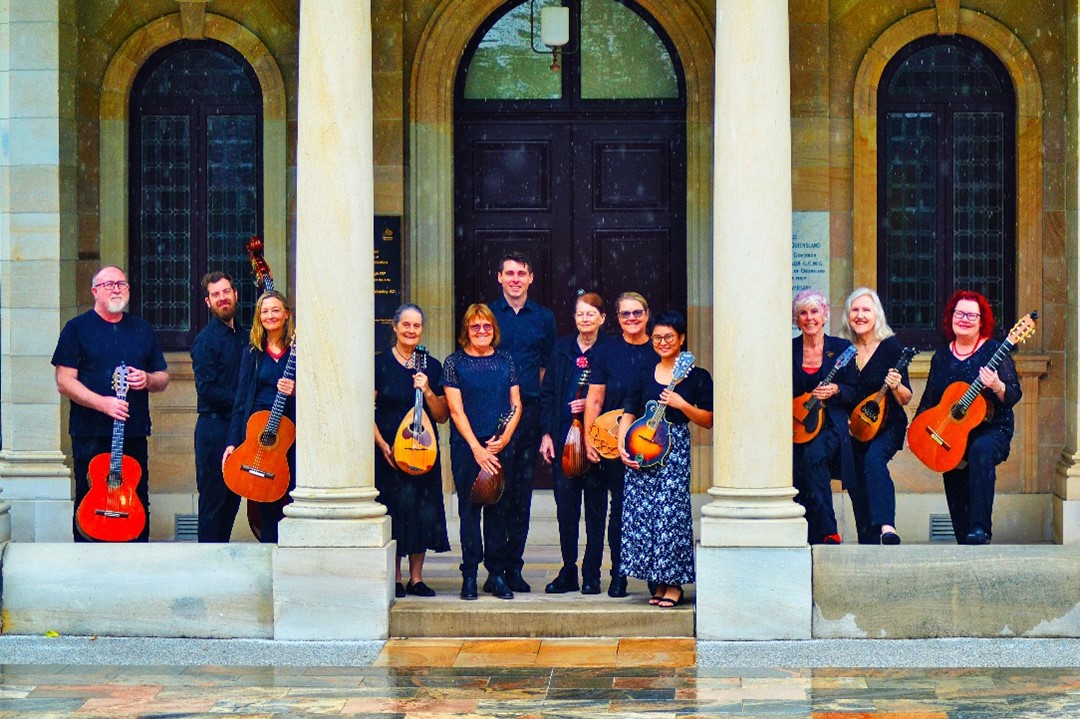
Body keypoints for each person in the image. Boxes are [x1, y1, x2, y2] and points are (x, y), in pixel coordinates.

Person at [52, 266, 170, 542]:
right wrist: (102, 404)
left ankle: (137, 561)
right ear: (95, 291)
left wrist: (148, 379)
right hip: (90, 432)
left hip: (133, 430)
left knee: (136, 499)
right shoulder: (76, 329)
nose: (116, 289)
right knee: (89, 499)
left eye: (121, 284)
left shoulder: (141, 328)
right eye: (109, 285)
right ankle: (88, 560)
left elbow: (163, 377)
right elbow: (64, 381)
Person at [617, 310, 712, 609]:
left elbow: (709, 419)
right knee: (643, 516)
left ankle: (674, 584)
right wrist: (621, 446)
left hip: (673, 449)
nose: (662, 342)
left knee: (671, 514)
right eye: (657, 337)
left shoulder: (697, 376)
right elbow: (629, 411)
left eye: (669, 337)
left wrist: (682, 404)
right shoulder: (644, 372)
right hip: (641, 448)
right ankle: (656, 582)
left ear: (682, 338)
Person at [913, 290, 1021, 545]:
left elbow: (1013, 395)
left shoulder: (995, 351)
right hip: (953, 430)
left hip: (991, 429)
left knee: (979, 452)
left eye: (971, 315)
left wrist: (996, 385)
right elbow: (931, 398)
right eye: (959, 313)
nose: (964, 319)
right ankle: (965, 538)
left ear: (981, 320)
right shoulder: (941, 356)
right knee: (953, 475)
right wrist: (918, 429)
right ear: (950, 318)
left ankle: (981, 528)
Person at [443, 303, 522, 600]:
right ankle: (470, 575)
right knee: (470, 510)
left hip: (499, 446)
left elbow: (516, 404)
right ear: (467, 330)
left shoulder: (505, 361)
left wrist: (503, 440)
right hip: (468, 448)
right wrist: (476, 448)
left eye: (487, 326)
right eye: (475, 326)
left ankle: (496, 574)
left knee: (498, 510)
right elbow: (455, 408)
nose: (481, 331)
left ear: (494, 330)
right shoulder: (455, 362)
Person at [488, 251, 556, 593]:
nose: (515, 279)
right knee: (495, 491)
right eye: (509, 273)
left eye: (521, 273)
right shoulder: (488, 316)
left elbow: (546, 373)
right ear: (499, 277)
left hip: (528, 414)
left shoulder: (543, 318)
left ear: (530, 279)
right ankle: (493, 568)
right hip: (494, 416)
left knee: (521, 495)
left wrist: (544, 426)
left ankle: (514, 566)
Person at [373, 303, 452, 598]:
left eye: (416, 326)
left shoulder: (431, 365)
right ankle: (394, 577)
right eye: (405, 325)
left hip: (422, 448)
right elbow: (367, 410)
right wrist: (382, 446)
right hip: (389, 451)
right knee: (393, 509)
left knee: (421, 510)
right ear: (395, 327)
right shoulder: (380, 364)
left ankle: (416, 578)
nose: (411, 330)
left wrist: (428, 389)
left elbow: (442, 415)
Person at [583, 291, 656, 597]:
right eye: (625, 314)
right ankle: (617, 574)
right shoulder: (607, 351)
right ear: (617, 318)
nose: (631, 319)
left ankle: (657, 576)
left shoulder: (659, 349)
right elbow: (595, 397)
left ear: (647, 314)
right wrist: (589, 438)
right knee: (616, 511)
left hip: (651, 444)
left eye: (637, 313)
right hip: (612, 444)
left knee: (649, 511)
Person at [539, 292, 609, 594]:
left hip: (597, 443)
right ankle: (568, 570)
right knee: (566, 510)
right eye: (580, 314)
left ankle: (591, 572)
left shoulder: (610, 350)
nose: (585, 319)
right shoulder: (561, 349)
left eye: (591, 314)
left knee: (595, 509)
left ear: (602, 319)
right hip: (564, 440)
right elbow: (548, 394)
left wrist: (594, 407)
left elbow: (617, 394)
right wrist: (546, 434)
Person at [838, 287, 912, 545]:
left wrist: (895, 385)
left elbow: (906, 397)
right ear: (848, 316)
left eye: (865, 310)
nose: (860, 315)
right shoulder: (844, 349)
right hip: (854, 428)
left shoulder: (891, 347)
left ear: (876, 315)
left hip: (887, 425)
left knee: (874, 460)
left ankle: (887, 526)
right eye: (854, 310)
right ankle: (867, 542)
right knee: (856, 479)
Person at [223, 290, 296, 544]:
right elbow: (241, 400)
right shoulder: (253, 353)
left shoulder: (298, 351)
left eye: (276, 310)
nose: (270, 316)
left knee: (292, 499)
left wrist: (297, 390)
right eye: (264, 311)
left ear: (286, 314)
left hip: (292, 436)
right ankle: (269, 555)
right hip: (261, 436)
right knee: (265, 499)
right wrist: (233, 441)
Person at [792, 289, 856, 544]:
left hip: (829, 423)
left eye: (814, 312)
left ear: (825, 315)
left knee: (813, 457)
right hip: (794, 424)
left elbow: (854, 389)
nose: (809, 318)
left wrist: (837, 389)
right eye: (803, 313)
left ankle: (828, 530)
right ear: (796, 320)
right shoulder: (788, 349)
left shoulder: (842, 349)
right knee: (797, 471)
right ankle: (804, 534)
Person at [190, 272, 247, 542]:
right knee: (214, 502)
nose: (222, 298)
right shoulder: (205, 341)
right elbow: (207, 390)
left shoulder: (245, 336)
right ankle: (208, 570)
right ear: (208, 302)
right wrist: (244, 400)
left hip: (237, 428)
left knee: (232, 500)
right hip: (214, 429)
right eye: (216, 295)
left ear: (235, 294)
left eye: (226, 292)